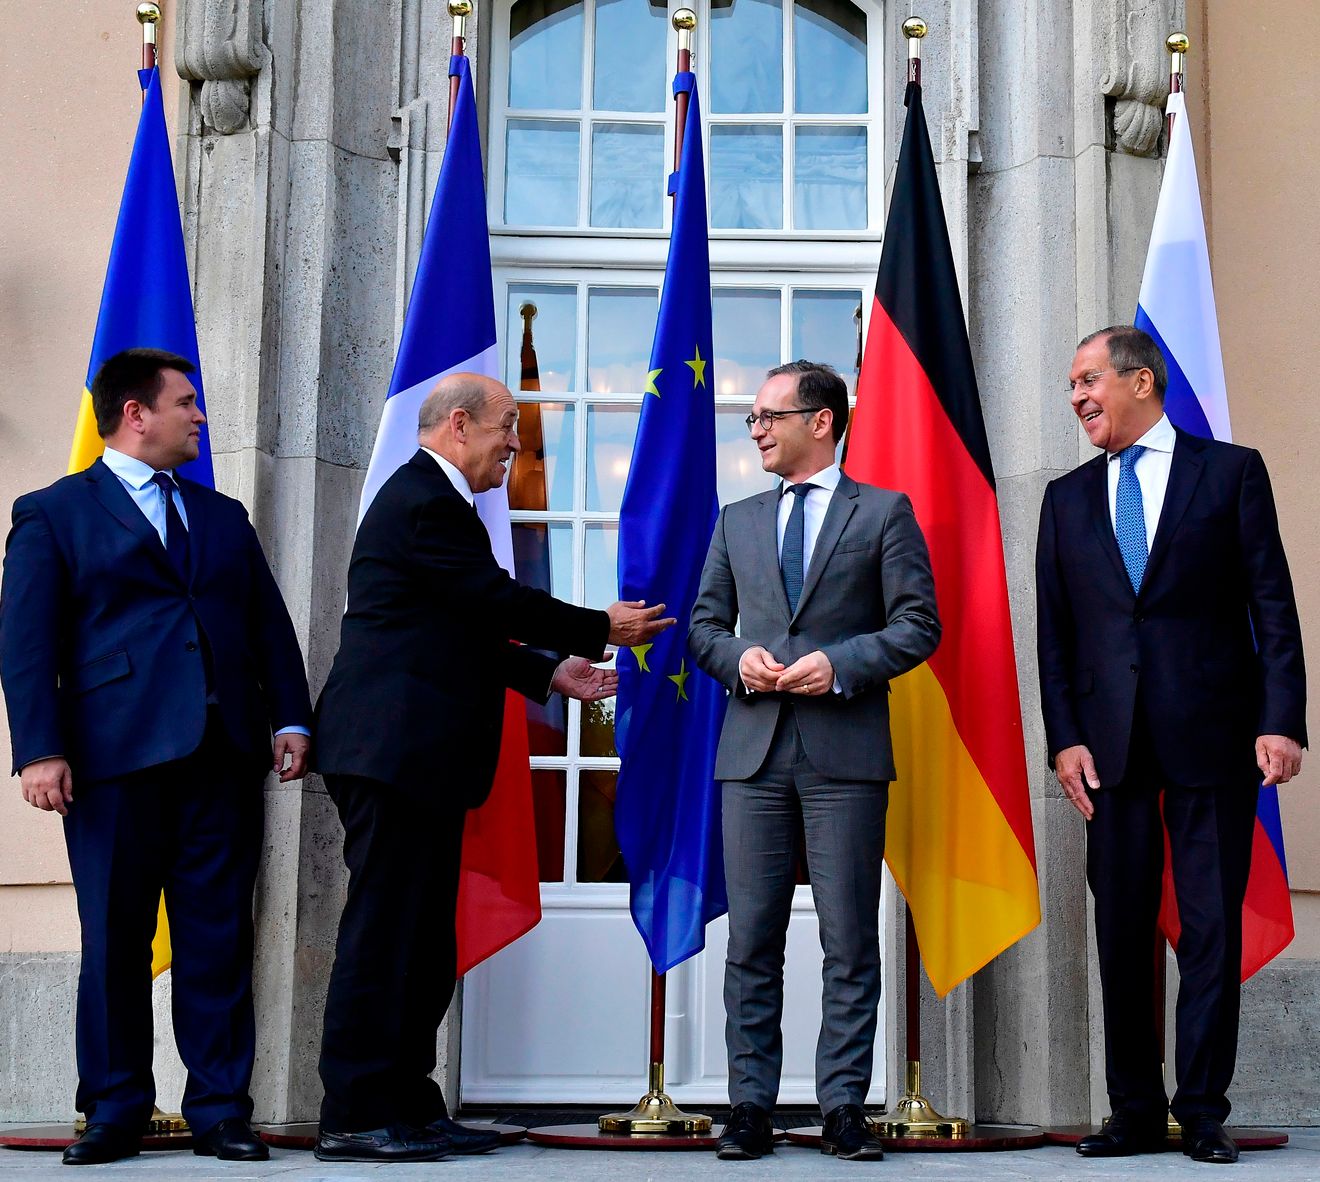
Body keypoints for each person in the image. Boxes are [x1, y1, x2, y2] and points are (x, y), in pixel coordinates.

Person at [313, 372, 674, 1164]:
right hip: (391, 749)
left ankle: (408, 1105)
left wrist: (549, 672)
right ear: (459, 424)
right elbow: (491, 598)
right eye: (507, 425)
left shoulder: (439, 503)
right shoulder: (424, 501)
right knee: (385, 934)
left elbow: (459, 624)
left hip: (418, 753)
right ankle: (354, 1113)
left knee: (421, 939)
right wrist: (598, 627)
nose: (515, 443)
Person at [0, 348, 313, 1165]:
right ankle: (114, 1109)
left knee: (218, 938)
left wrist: (291, 717)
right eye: (185, 403)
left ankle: (221, 1111)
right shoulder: (53, 512)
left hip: (222, 756)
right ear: (135, 414)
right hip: (112, 763)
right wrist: (39, 750)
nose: (199, 416)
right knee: (115, 938)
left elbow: (268, 625)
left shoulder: (222, 516)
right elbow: (25, 644)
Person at [1036, 325, 1306, 1165]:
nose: (1076, 397)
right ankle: (1134, 1112)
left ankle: (1203, 1112)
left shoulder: (1229, 473)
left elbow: (1272, 606)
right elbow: (1055, 637)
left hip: (1213, 736)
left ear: (1140, 380)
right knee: (1121, 931)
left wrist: (1281, 719)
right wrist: (1064, 740)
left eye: (1087, 380)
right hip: (1108, 748)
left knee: (1211, 927)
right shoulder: (1065, 498)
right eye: (1071, 386)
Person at [689, 360, 941, 1162]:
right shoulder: (737, 519)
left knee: (850, 940)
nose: (756, 430)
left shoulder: (884, 513)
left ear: (822, 421)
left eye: (769, 416)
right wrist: (738, 659)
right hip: (753, 755)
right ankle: (749, 1108)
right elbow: (702, 628)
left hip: (846, 753)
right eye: (754, 419)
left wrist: (841, 664)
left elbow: (918, 625)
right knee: (751, 940)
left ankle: (842, 1109)